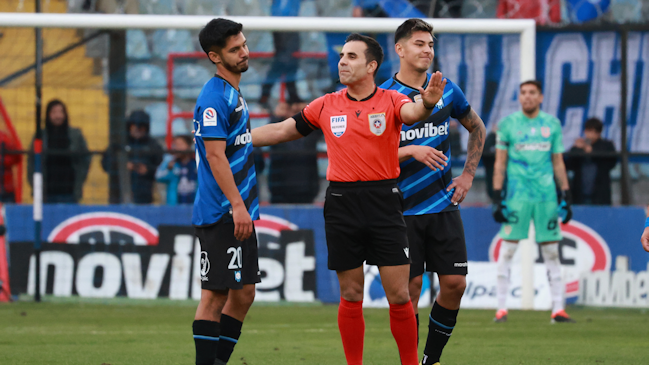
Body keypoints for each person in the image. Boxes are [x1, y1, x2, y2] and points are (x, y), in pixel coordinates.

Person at [252, 32, 447, 365]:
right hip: (342, 202)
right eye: (342, 55)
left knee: (399, 296)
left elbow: (414, 114)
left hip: (384, 202)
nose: (343, 61)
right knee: (351, 294)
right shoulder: (327, 104)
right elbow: (284, 129)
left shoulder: (390, 100)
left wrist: (428, 102)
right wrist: (236, 139)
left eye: (352, 56)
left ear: (372, 66)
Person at [380, 18, 486, 365]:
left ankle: (430, 359)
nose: (427, 50)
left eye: (430, 45)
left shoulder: (446, 89)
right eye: (419, 44)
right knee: (408, 293)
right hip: (400, 209)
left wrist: (468, 175)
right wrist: (411, 150)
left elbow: (476, 127)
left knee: (455, 283)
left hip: (442, 205)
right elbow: (370, 155)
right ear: (400, 49)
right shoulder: (383, 97)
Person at [190, 19, 260, 365]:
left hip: (237, 211)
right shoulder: (215, 97)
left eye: (244, 44)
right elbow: (215, 156)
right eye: (235, 49)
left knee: (244, 292)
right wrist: (237, 205)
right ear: (215, 57)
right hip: (221, 212)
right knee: (215, 295)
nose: (245, 52)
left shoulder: (233, 93)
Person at [492, 80, 575, 323]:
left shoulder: (552, 124)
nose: (527, 97)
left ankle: (558, 309)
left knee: (551, 252)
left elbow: (558, 162)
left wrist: (566, 194)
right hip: (517, 196)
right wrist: (497, 196)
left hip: (546, 197)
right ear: (519, 97)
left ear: (540, 97)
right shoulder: (507, 125)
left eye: (532, 93)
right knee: (507, 250)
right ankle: (500, 309)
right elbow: (500, 162)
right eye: (523, 93)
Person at [28, 99, 91, 203]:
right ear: (48, 115)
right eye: (54, 112)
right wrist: (35, 186)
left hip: (70, 193)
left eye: (61, 112)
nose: (58, 116)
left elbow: (86, 158)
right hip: (46, 194)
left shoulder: (76, 134)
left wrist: (80, 180)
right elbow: (31, 162)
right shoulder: (40, 136)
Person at [102, 110, 164, 204]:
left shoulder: (153, 146)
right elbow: (105, 163)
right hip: (119, 194)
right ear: (129, 126)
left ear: (146, 128)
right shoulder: (118, 144)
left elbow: (162, 168)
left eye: (141, 126)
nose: (138, 129)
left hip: (144, 196)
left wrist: (147, 170)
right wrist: (123, 166)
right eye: (134, 125)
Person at [267, 101, 321, 204]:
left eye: (299, 112)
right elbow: (270, 134)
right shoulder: (278, 134)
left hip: (306, 192)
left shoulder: (311, 133)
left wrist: (310, 113)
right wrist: (277, 117)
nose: (296, 116)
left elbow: (322, 126)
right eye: (293, 112)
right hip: (280, 192)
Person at [258, 0, 303, 109]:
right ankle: (268, 92)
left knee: (286, 58)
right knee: (286, 59)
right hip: (284, 24)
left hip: (286, 24)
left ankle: (268, 92)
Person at [565, 117, 617, 205]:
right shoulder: (579, 147)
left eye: (593, 132)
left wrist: (590, 151)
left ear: (599, 133)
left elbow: (611, 163)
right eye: (588, 131)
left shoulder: (606, 145)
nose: (590, 135)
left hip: (599, 195)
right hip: (579, 194)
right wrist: (575, 149)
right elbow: (568, 164)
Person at [156, 135, 197, 205]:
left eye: (180, 145)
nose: (177, 148)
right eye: (175, 145)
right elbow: (158, 177)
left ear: (189, 146)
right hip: (175, 205)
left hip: (194, 204)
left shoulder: (196, 163)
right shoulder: (170, 161)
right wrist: (169, 169)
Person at [0, 131, 21, 203]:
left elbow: (17, 157)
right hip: (6, 189)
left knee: (7, 212)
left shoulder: (4, 138)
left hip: (5, 190)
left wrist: (3, 160)